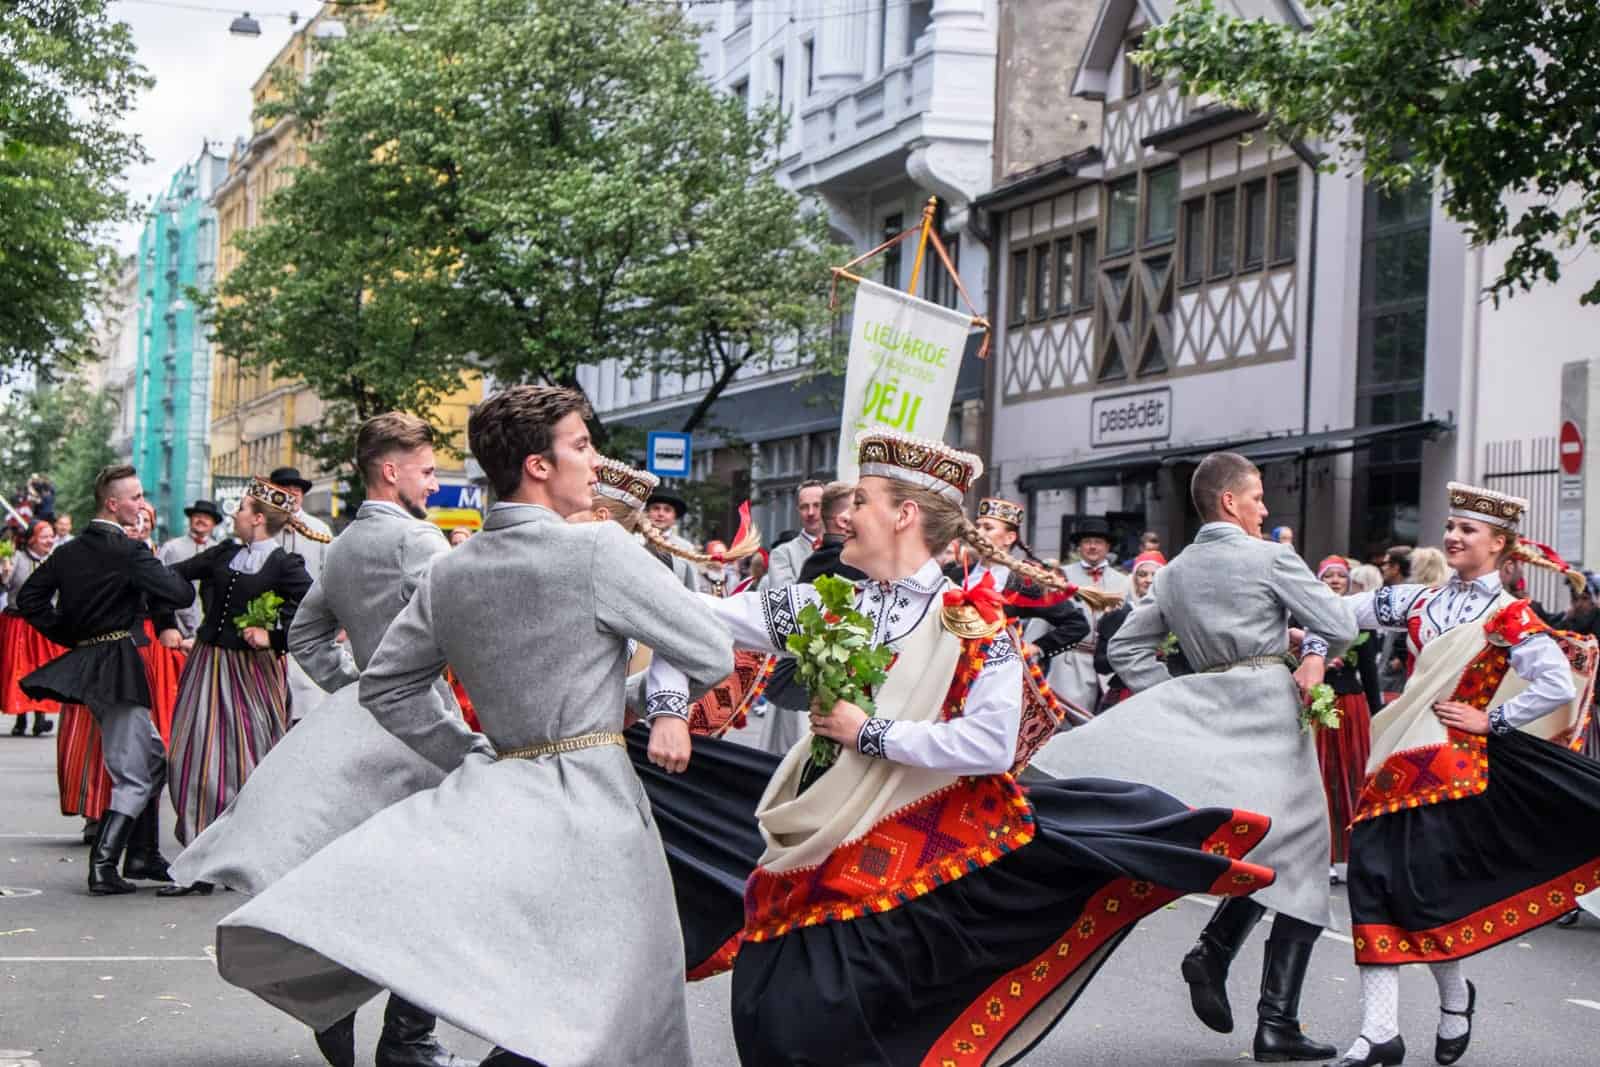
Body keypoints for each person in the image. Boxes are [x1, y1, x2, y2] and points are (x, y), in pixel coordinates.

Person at [637, 430, 1278, 1065]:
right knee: (768, 1013)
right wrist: (666, 710)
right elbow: (682, 614)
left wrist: (869, 732)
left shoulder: (969, 620)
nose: (845, 515)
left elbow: (991, 743)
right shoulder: (822, 607)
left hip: (901, 866)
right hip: (811, 845)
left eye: (861, 502)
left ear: (904, 515)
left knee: (821, 1029)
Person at [212, 385, 736, 1067]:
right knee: (620, 1002)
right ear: (538, 465)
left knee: (544, 997)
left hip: (500, 794)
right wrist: (648, 705)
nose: (596, 461)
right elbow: (713, 650)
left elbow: (387, 686)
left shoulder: (453, 569)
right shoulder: (598, 550)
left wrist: (469, 751)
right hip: (595, 807)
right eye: (581, 445)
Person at [169, 415, 473, 1067]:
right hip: (423, 727)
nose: (435, 484)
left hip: (362, 727)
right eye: (427, 470)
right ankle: (406, 1035)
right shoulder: (419, 539)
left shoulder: (342, 546)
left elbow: (307, 639)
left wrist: (359, 686)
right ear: (390, 470)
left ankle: (344, 1009)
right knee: (434, 882)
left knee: (370, 878)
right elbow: (465, 627)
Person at [1033, 452, 1357, 1063]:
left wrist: (1184, 696)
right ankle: (1273, 1019)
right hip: (1270, 709)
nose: (1265, 509)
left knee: (1266, 847)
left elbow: (1126, 646)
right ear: (1230, 502)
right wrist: (1308, 649)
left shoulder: (1176, 572)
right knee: (1306, 855)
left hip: (1212, 712)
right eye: (1258, 496)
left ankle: (1218, 956)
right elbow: (1339, 621)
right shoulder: (1269, 557)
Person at [1327, 483, 1600, 1067]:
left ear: (1500, 545)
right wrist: (1305, 635)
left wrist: (1491, 718)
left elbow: (1553, 683)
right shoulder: (1418, 600)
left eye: (1467, 530)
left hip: (1452, 765)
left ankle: (1447, 1002)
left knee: (1417, 889)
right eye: (1450, 526)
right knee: (1373, 878)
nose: (1452, 536)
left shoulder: (1510, 614)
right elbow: (1341, 613)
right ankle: (1380, 1033)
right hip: (1398, 752)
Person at [16, 464, 196, 894]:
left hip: (92, 660)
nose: (141, 503)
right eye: (135, 496)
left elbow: (30, 599)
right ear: (113, 503)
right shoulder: (127, 551)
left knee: (152, 759)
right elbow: (181, 594)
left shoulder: (70, 551)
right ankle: (104, 866)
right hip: (116, 664)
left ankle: (142, 854)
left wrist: (68, 632)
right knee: (135, 772)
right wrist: (149, 565)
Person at [160, 478, 315, 866]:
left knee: (248, 758)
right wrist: (166, 620)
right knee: (190, 754)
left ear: (259, 519)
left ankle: (241, 849)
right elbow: (169, 577)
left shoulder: (284, 564)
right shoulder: (223, 553)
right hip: (207, 666)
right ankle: (200, 849)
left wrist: (275, 637)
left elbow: (319, 613)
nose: (235, 513)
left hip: (252, 675)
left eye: (242, 508)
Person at [1312, 556, 1383, 879]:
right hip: (1316, 705)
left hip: (1350, 707)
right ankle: (1321, 854)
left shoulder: (1359, 621)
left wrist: (1378, 714)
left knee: (1352, 777)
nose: (1337, 580)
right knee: (1320, 779)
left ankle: (1353, 853)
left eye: (1342, 576)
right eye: (1330, 576)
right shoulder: (1306, 616)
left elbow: (1370, 673)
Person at [267, 466, 335, 725]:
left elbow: (329, 575)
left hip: (307, 615)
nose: (292, 495)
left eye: (296, 490)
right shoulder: (264, 528)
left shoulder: (319, 529)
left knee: (306, 692)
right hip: (269, 619)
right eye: (285, 490)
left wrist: (335, 620)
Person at [1049, 515, 1131, 716]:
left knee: (1105, 722)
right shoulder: (1062, 576)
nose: (1092, 547)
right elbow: (1043, 616)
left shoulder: (1122, 581)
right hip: (1071, 661)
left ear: (1107, 547)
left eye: (1098, 542)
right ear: (1079, 547)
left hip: (1108, 666)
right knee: (1067, 719)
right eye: (1087, 542)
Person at [4, 520, 63, 736]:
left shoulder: (56, 560)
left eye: (51, 536)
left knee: (42, 667)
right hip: (18, 623)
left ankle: (40, 716)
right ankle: (21, 718)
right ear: (32, 540)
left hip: (44, 623)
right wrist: (4, 572)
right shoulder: (16, 559)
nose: (50, 540)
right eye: (44, 536)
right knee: (20, 668)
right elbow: (5, 585)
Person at [1094, 549, 1168, 711]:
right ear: (1133, 579)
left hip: (1162, 693)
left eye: (1155, 575)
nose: (1148, 580)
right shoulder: (1119, 614)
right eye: (1142, 575)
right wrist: (1129, 655)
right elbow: (1100, 664)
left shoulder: (1172, 615)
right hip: (1125, 694)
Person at [158, 499, 224, 641]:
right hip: (175, 629)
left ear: (214, 524)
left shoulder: (220, 552)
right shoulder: (171, 548)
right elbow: (159, 586)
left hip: (210, 631)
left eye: (207, 518)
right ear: (190, 519)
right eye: (197, 516)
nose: (201, 520)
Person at [761, 479, 824, 589]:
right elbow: (785, 598)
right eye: (804, 507)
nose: (810, 512)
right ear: (798, 510)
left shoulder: (845, 548)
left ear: (828, 508)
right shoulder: (782, 553)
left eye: (817, 505)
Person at [1376, 547, 1413, 703]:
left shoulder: (1410, 593)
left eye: (1386, 563)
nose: (1382, 568)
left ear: (1396, 567)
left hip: (1398, 678)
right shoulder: (1391, 591)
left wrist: (1399, 659)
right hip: (1387, 671)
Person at [644, 488, 699, 590]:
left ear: (674, 517)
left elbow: (692, 588)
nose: (660, 514)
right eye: (656, 508)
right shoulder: (636, 541)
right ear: (647, 512)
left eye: (667, 510)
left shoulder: (686, 548)